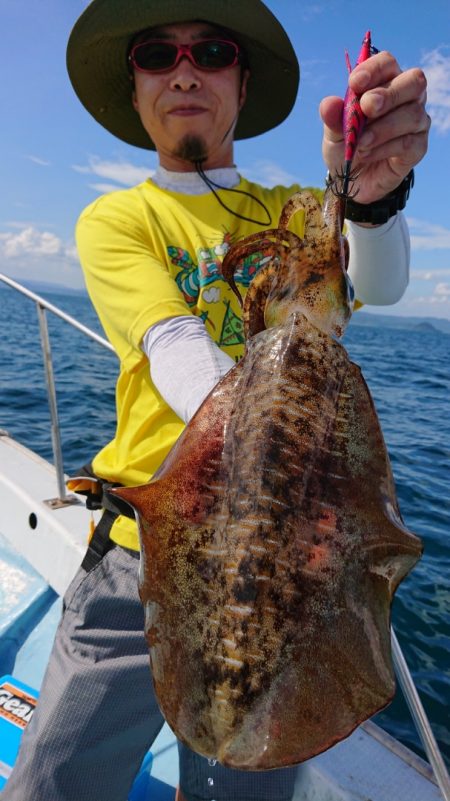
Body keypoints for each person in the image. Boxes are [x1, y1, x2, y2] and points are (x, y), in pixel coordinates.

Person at [3, 1, 430, 800]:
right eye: (157, 54)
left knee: (249, 770)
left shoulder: (300, 211)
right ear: (134, 90)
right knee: (53, 780)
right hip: (139, 558)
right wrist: (266, 455)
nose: (185, 68)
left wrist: (371, 199)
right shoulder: (119, 217)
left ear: (243, 79)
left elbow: (377, 280)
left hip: (289, 559)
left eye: (212, 49)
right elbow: (176, 346)